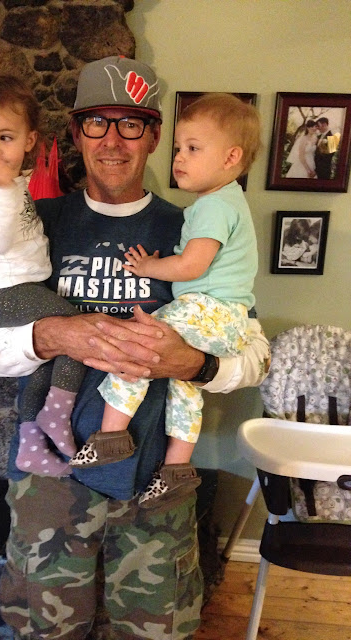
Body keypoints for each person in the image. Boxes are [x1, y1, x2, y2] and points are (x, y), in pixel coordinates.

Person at [0, 56, 270, 640]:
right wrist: (55, 333)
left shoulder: (196, 227)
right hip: (51, 477)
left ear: (154, 136)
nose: (112, 140)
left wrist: (198, 364)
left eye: (131, 123)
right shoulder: (27, 221)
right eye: (97, 122)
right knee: (45, 630)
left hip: (156, 478)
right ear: (75, 133)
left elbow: (255, 356)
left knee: (156, 631)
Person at [69, 93, 260, 509]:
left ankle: (111, 435)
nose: (180, 158)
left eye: (193, 149)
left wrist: (149, 268)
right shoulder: (224, 202)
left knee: (139, 342)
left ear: (231, 157)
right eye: (179, 148)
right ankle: (177, 468)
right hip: (223, 320)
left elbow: (192, 265)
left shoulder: (212, 206)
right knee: (185, 388)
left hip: (211, 311)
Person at [0, 72, 85, 477]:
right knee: (77, 330)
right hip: (5, 293)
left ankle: (31, 441)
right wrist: (1, 185)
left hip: (19, 288)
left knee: (46, 361)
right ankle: (56, 417)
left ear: (30, 141)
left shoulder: (6, 185)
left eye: (5, 137)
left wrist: (7, 186)